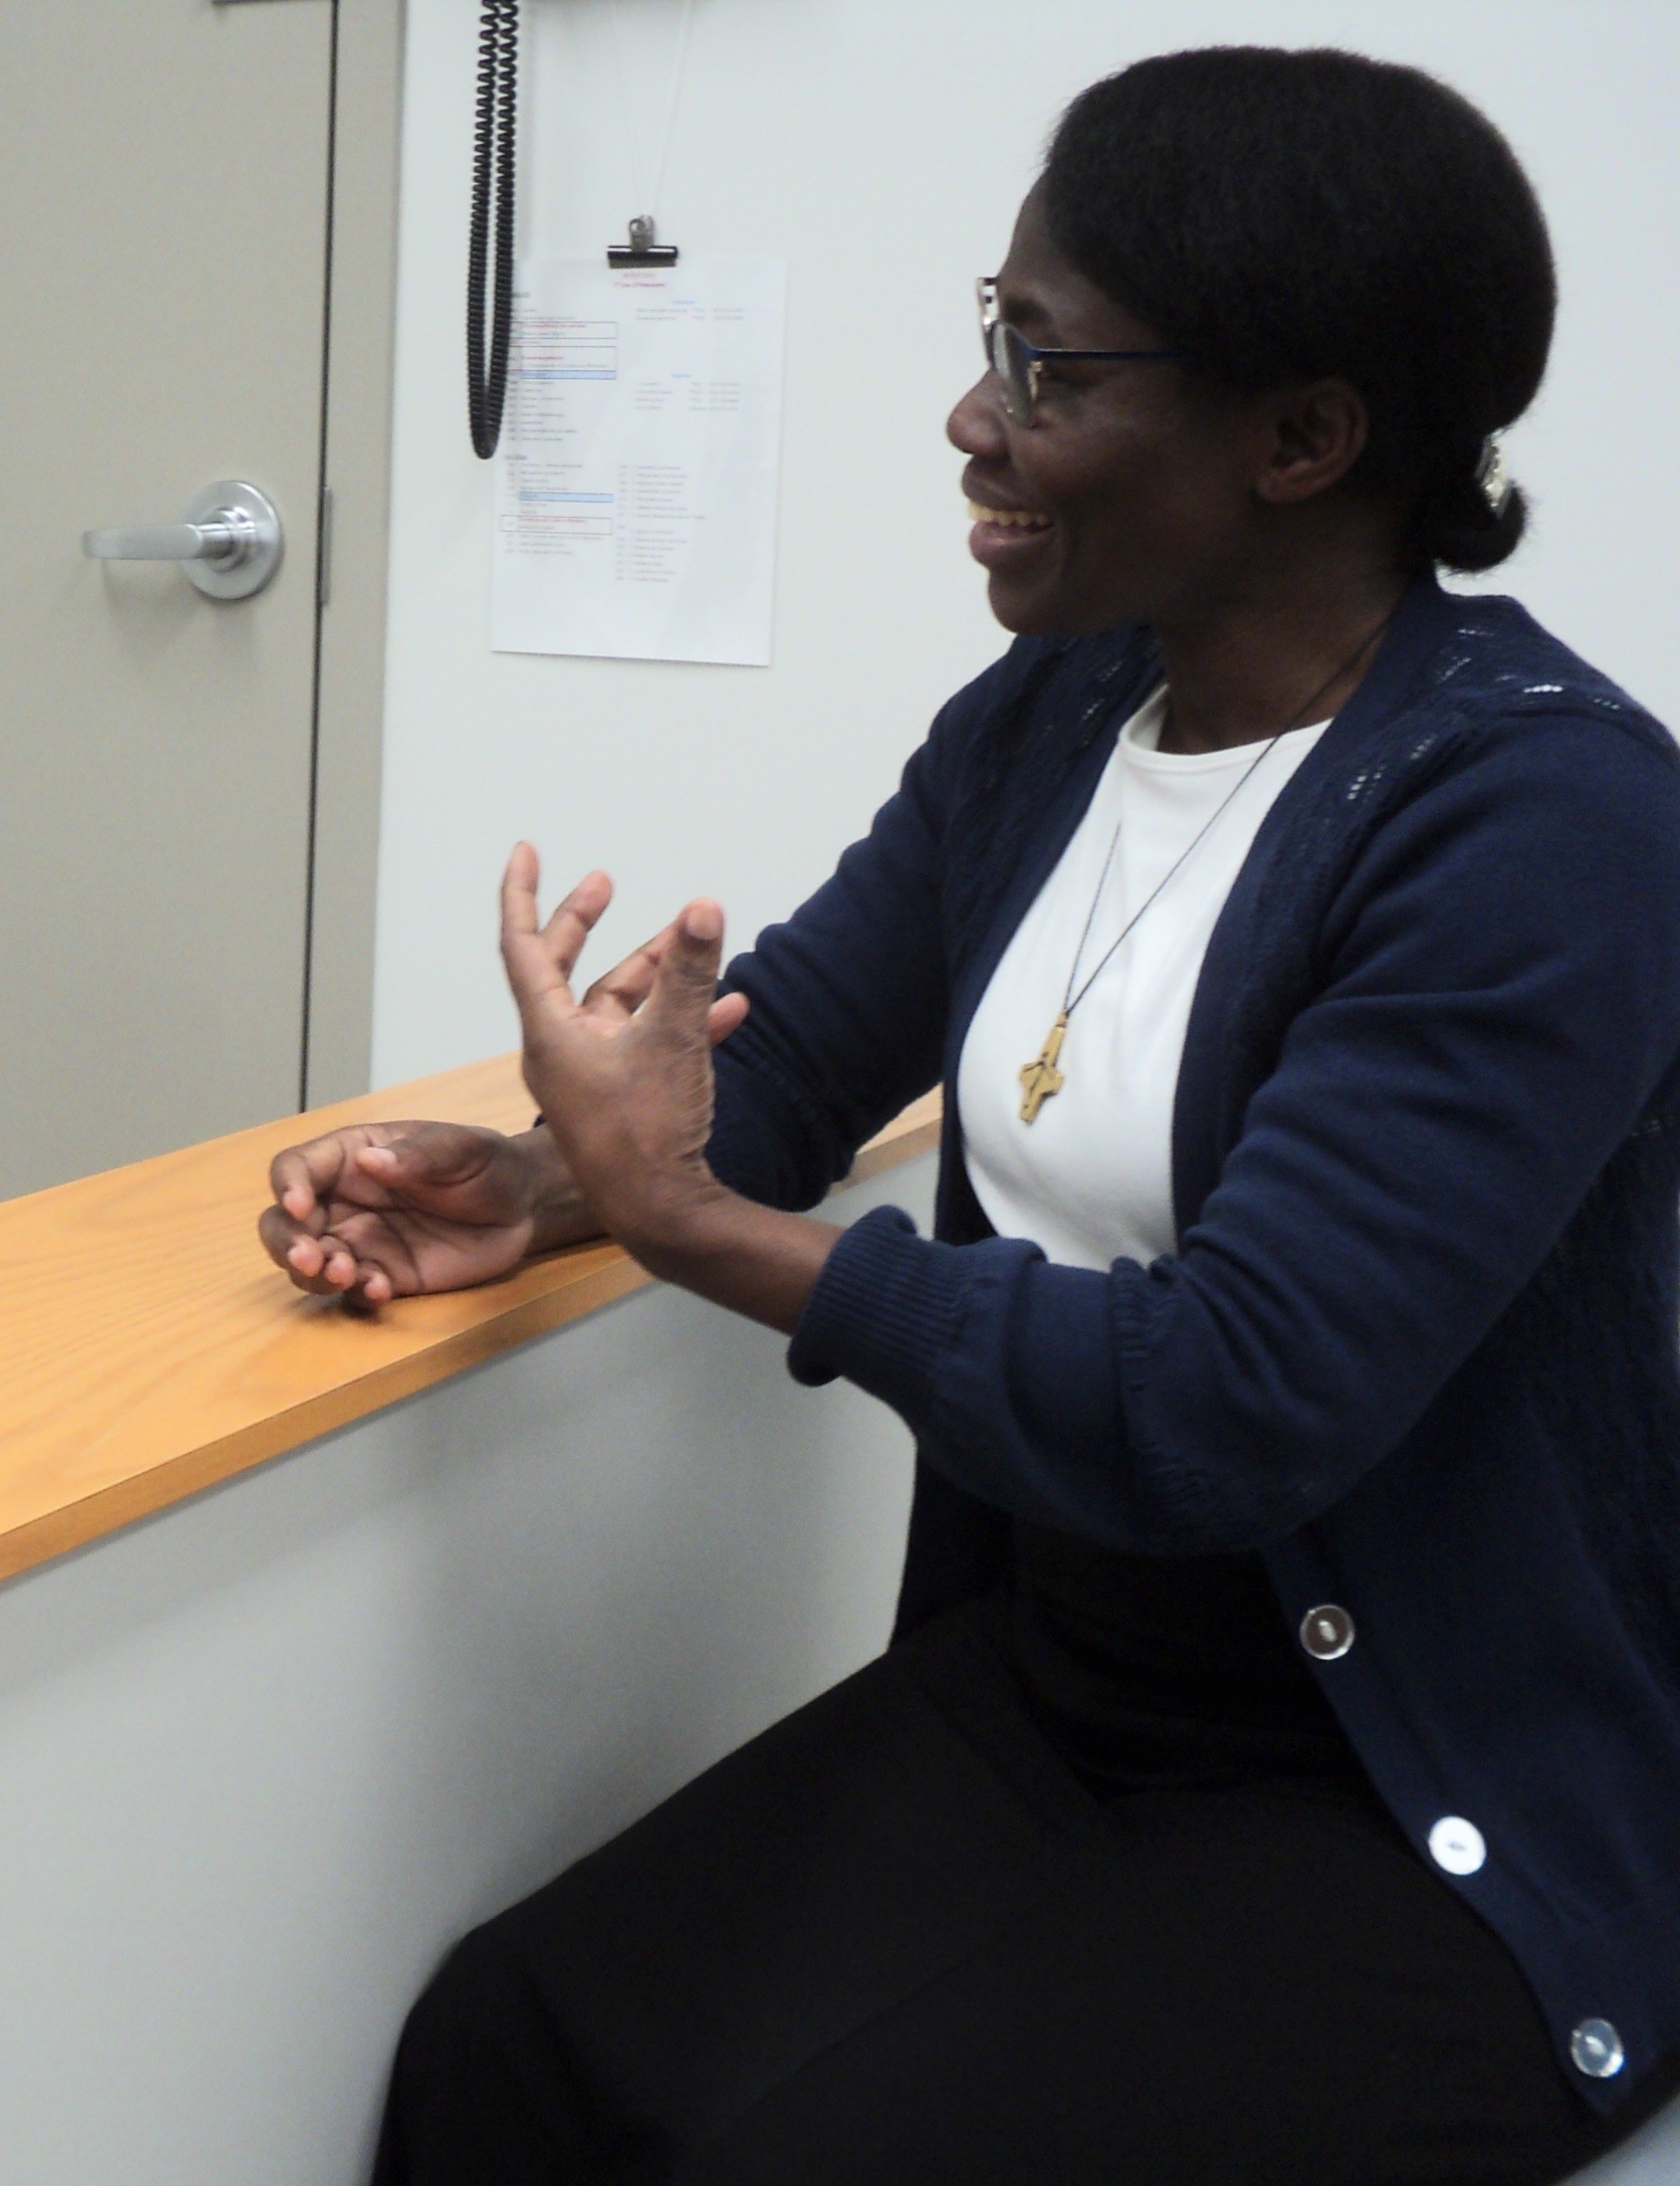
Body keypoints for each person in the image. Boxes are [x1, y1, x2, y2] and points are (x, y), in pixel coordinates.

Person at [263, 48, 1680, 2183]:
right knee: (513, 2049)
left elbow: (1239, 1400)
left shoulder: (1545, 822)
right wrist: (548, 1184)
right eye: (988, 335)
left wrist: (695, 1232)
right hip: (1066, 1689)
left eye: (1048, 364)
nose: (972, 416)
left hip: (1416, 1803)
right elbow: (797, 1061)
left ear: (1303, 438)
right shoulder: (1051, 718)